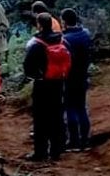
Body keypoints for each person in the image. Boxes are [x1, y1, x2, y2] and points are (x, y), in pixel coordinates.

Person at [23, 13, 71, 162]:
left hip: (42, 84)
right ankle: (56, 150)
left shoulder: (37, 44)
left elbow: (27, 66)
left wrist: (36, 75)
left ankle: (41, 152)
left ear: (39, 25)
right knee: (57, 115)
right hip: (59, 82)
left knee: (41, 118)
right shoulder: (62, 40)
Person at [61, 9, 95, 150]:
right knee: (81, 107)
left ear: (64, 21)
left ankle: (73, 140)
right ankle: (85, 140)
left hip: (69, 77)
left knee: (70, 108)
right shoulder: (85, 34)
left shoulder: (64, 39)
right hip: (83, 75)